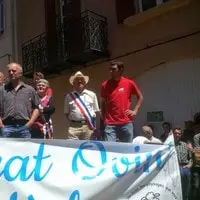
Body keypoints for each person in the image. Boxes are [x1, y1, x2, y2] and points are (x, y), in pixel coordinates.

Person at [101, 61, 143, 143]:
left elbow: (140, 97)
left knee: (127, 149)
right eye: (110, 69)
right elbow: (102, 102)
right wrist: (103, 117)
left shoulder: (129, 83)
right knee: (110, 149)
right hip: (110, 124)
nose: (111, 71)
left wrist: (135, 110)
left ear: (120, 69)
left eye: (113, 69)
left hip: (126, 123)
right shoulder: (105, 85)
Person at [0, 62, 40, 138]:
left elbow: (37, 107)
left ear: (21, 73)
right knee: (6, 150)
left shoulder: (29, 90)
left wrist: (30, 123)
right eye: (9, 71)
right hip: (6, 128)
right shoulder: (2, 90)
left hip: (24, 128)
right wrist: (1, 125)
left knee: (25, 150)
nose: (11, 73)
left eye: (14, 71)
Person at [64, 71, 100, 140]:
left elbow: (96, 112)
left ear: (85, 82)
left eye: (81, 79)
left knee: (88, 148)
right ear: (73, 83)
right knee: (73, 148)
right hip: (73, 127)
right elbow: (66, 113)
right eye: (77, 79)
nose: (79, 81)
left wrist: (96, 128)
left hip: (88, 127)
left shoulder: (92, 94)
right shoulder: (69, 96)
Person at [173, 127, 192, 200]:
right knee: (175, 188)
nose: (177, 135)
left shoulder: (185, 145)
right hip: (174, 169)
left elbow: (190, 157)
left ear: (181, 135)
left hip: (185, 168)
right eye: (176, 133)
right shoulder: (168, 145)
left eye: (179, 133)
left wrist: (190, 164)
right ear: (173, 134)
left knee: (186, 188)